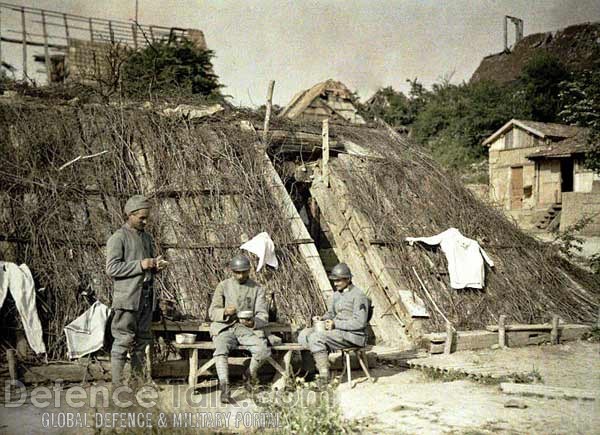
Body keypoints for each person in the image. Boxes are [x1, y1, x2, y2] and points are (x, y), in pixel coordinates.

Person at [105, 195, 168, 387]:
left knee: (143, 342)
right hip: (127, 299)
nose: (145, 221)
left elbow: (146, 266)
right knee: (122, 342)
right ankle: (117, 386)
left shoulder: (147, 237)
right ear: (130, 215)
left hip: (146, 299)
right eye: (141, 217)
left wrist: (155, 266)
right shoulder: (118, 238)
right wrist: (141, 264)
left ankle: (137, 383)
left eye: (147, 217)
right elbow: (112, 269)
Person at [209, 254, 271, 404]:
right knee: (220, 349)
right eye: (237, 272)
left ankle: (249, 375)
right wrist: (224, 312)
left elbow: (263, 314)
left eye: (244, 272)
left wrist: (253, 322)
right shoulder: (223, 286)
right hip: (225, 327)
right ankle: (225, 387)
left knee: (263, 351)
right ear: (231, 271)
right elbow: (212, 312)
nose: (241, 275)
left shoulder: (257, 289)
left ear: (249, 270)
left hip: (246, 329)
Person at [298, 263, 371, 384]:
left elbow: (360, 322)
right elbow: (331, 313)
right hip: (338, 332)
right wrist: (322, 318)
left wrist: (335, 324)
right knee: (304, 334)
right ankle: (310, 372)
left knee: (317, 338)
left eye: (338, 281)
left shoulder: (359, 296)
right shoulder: (337, 294)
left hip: (353, 335)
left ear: (348, 279)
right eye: (334, 281)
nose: (335, 283)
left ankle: (324, 377)